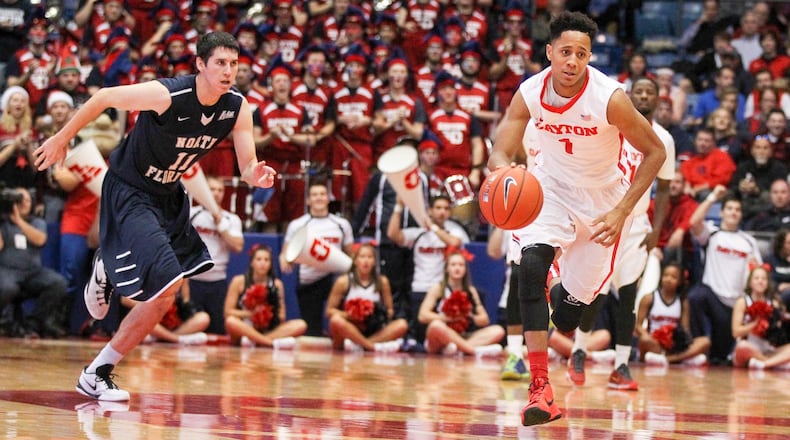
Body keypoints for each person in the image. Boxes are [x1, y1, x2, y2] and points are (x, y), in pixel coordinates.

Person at [33, 32, 277, 402]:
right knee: (167, 279)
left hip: (168, 195)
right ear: (200, 64)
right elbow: (104, 97)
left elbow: (247, 165)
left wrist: (254, 174)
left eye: (234, 64)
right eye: (220, 63)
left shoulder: (237, 107)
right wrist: (62, 138)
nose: (229, 72)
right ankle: (106, 277)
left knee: (168, 293)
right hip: (130, 189)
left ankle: (98, 369)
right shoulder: (168, 95)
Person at [487, 11, 666, 426]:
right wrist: (502, 174)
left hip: (604, 206)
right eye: (565, 51)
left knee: (567, 318)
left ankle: (557, 285)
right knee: (528, 269)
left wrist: (622, 211)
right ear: (549, 52)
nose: (572, 61)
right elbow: (502, 149)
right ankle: (539, 388)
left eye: (581, 53)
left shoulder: (610, 97)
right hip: (549, 191)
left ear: (589, 57)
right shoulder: (530, 92)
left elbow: (655, 152)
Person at [568, 76, 675, 391]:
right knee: (595, 294)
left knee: (629, 296)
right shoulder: (612, 128)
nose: (643, 96)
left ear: (658, 100)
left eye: (649, 92)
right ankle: (578, 351)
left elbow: (665, 189)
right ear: (629, 96)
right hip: (605, 219)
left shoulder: (664, 139)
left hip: (637, 225)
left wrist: (657, 230)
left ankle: (622, 365)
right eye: (638, 91)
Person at [687, 185, 762, 365]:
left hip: (736, 305)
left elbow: (757, 272)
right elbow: (694, 223)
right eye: (729, 209)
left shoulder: (749, 242)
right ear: (721, 213)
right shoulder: (712, 234)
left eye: (737, 210)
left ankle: (715, 353)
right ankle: (698, 341)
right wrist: (713, 197)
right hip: (713, 298)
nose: (733, 212)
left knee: (720, 357)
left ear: (741, 215)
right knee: (696, 296)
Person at [387, 194, 470, 345]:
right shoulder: (419, 234)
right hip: (420, 288)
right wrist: (398, 208)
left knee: (442, 330)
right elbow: (393, 235)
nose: (442, 212)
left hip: (443, 290)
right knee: (421, 335)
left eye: (446, 208)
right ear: (430, 211)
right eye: (438, 208)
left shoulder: (454, 232)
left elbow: (454, 242)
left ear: (450, 212)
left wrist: (432, 227)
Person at [279, 181, 353, 337]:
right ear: (308, 200)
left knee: (342, 324)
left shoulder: (342, 224)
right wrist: (285, 261)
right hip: (309, 280)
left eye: (322, 194)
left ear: (328, 198)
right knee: (311, 331)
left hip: (336, 280)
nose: (318, 198)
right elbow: (285, 254)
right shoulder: (298, 224)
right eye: (314, 195)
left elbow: (350, 254)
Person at [0, 187, 68, 338]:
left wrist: (18, 221)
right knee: (6, 287)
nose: (24, 203)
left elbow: (40, 239)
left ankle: (34, 323)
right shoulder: (3, 222)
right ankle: (5, 323)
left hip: (33, 272)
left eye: (27, 200)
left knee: (58, 283)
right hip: (7, 271)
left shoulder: (37, 222)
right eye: (19, 199)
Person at [418, 247, 504, 357]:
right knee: (436, 326)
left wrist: (468, 315)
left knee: (498, 330)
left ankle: (458, 350)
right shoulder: (438, 288)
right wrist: (448, 318)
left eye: (461, 265)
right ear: (447, 268)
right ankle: (473, 351)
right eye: (453, 265)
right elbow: (422, 315)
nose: (457, 268)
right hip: (441, 336)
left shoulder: (470, 290)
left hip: (464, 335)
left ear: (465, 269)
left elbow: (484, 320)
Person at [186, 175, 244, 335]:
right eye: (212, 189)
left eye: (220, 190)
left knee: (218, 332)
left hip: (217, 283)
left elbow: (238, 246)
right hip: (192, 281)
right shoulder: (191, 213)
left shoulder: (231, 219)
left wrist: (220, 222)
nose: (216, 193)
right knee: (192, 328)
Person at [325, 242, 408, 352]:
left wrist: (376, 313)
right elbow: (329, 311)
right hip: (351, 327)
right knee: (336, 321)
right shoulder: (343, 281)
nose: (366, 261)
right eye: (362, 257)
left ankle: (362, 345)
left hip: (373, 328)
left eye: (369, 257)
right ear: (355, 261)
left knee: (402, 325)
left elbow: (390, 310)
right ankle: (370, 346)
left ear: (374, 262)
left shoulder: (382, 282)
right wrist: (350, 315)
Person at [225, 244, 307, 347]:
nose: (262, 263)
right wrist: (251, 314)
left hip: (269, 329)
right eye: (259, 259)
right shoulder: (238, 281)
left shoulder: (277, 284)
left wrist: (267, 314)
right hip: (245, 327)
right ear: (252, 262)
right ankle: (269, 343)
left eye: (266, 260)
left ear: (270, 264)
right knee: (231, 322)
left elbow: (282, 316)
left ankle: (256, 341)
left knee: (300, 324)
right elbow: (228, 312)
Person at [637, 262, 710, 366]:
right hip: (654, 342)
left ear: (680, 281)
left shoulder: (682, 302)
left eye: (673, 277)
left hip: (673, 345)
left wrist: (683, 343)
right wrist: (648, 336)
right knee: (644, 340)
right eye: (666, 275)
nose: (668, 279)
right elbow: (638, 325)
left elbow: (685, 329)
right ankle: (683, 359)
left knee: (705, 341)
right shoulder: (649, 298)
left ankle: (669, 359)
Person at [731, 264, 790, 370]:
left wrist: (775, 322)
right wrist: (756, 323)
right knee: (742, 346)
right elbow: (736, 332)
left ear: (768, 283)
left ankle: (764, 364)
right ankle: (776, 364)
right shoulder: (743, 302)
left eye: (764, 279)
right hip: (748, 348)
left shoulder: (773, 302)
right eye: (756, 278)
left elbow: (779, 329)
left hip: (768, 349)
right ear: (750, 282)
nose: (760, 281)